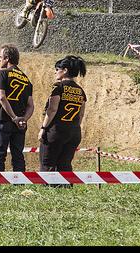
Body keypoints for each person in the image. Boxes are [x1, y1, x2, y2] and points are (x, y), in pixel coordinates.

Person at [38, 55, 87, 186]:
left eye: (57, 69)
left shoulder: (58, 87)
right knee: (65, 165)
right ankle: (65, 191)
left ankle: (47, 191)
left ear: (64, 70)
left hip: (56, 131)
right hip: (74, 133)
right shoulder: (80, 91)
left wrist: (43, 128)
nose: (55, 71)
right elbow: (81, 115)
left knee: (47, 164)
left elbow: (52, 110)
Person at [0, 44, 34, 172]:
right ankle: (19, 182)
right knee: (18, 155)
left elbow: (2, 97)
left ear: (7, 58)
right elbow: (31, 105)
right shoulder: (26, 79)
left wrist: (13, 117)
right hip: (20, 124)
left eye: (0, 57)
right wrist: (23, 119)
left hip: (4, 120)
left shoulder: (2, 73)